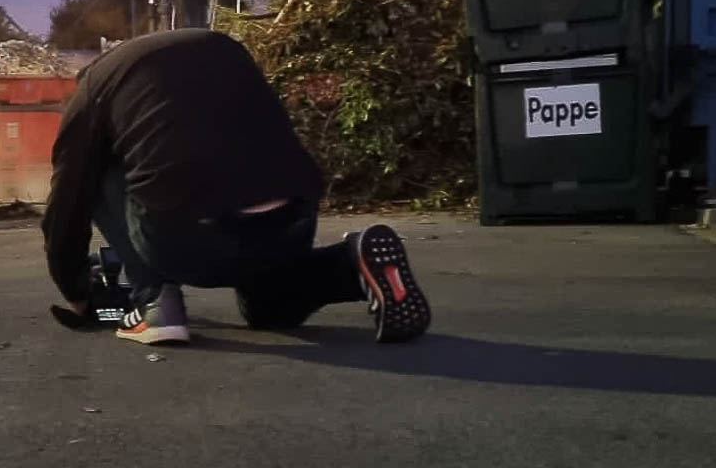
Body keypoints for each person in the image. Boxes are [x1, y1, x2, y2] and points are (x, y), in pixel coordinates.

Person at [42, 27, 431, 345]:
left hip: (191, 237)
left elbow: (65, 206)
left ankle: (153, 303)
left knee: (91, 170)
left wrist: (76, 290)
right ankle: (349, 264)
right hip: (293, 219)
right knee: (268, 307)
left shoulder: (91, 88)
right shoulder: (221, 47)